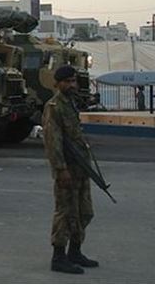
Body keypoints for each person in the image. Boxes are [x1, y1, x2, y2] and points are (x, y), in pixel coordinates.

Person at [42, 65, 98, 274]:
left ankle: (75, 251)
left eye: (73, 81)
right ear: (57, 84)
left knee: (85, 212)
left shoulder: (71, 104)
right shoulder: (54, 106)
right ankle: (58, 257)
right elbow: (52, 141)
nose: (72, 85)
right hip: (67, 169)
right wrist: (60, 169)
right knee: (65, 212)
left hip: (80, 168)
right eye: (67, 81)